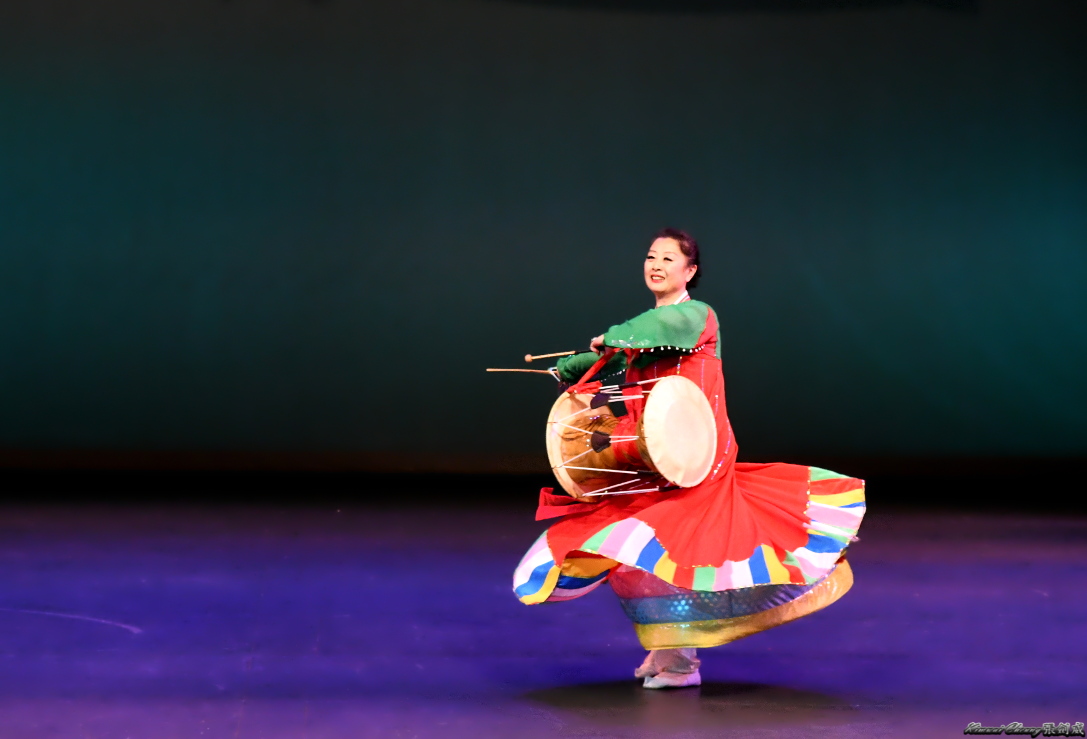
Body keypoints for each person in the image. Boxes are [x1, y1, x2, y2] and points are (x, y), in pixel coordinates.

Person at [513, 228, 865, 689]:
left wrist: (612, 337)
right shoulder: (642, 339)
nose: (656, 265)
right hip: (657, 457)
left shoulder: (696, 317)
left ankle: (681, 663)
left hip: (698, 456)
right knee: (647, 551)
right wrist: (574, 367)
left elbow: (655, 330)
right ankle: (669, 651)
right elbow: (613, 367)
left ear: (690, 270)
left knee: (677, 546)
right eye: (650, 256)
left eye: (668, 258)